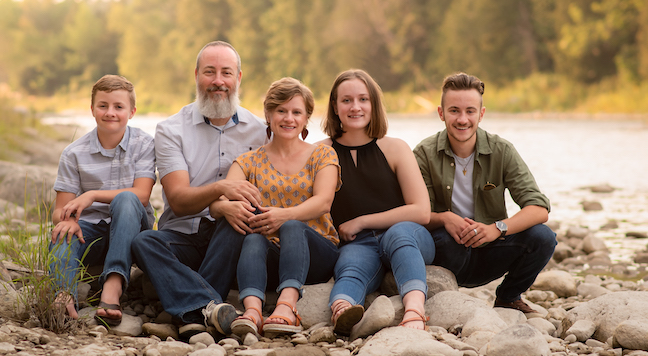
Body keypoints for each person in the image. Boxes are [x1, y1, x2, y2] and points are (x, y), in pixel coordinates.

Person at [131, 41, 267, 339]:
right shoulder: (171, 129)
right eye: (210, 72)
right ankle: (211, 308)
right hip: (182, 238)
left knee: (240, 218)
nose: (218, 81)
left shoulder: (260, 130)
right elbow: (178, 201)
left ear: (238, 78)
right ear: (196, 75)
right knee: (144, 242)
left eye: (226, 73)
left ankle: (189, 311)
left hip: (229, 239)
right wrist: (220, 188)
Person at [414, 72, 557, 315]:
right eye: (454, 111)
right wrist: (446, 218)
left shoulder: (501, 150)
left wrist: (496, 229)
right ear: (441, 113)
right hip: (448, 251)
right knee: (446, 239)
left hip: (491, 248)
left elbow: (539, 209)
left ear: (481, 114)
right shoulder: (424, 154)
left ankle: (508, 297)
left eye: (470, 111)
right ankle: (437, 299)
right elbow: (416, 213)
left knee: (543, 238)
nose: (462, 119)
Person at [211, 77, 341, 337]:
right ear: (268, 115)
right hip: (269, 259)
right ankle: (253, 311)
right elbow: (220, 201)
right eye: (281, 111)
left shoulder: (322, 155)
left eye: (296, 112)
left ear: (306, 119)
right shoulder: (249, 161)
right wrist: (225, 207)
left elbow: (324, 201)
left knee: (292, 226)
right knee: (253, 240)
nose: (288, 118)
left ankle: (287, 306)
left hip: (315, 253)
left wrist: (284, 216)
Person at [320, 70, 435, 335]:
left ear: (374, 104)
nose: (355, 107)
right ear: (335, 107)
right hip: (357, 243)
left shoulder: (395, 148)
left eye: (363, 99)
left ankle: (415, 309)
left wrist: (362, 221)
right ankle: (342, 309)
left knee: (399, 233)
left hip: (409, 236)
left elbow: (421, 211)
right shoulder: (321, 152)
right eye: (346, 100)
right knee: (349, 266)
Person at [50, 75, 156, 327]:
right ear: (92, 110)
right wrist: (69, 221)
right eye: (103, 106)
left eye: (118, 107)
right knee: (63, 232)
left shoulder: (144, 144)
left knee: (127, 199)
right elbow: (58, 211)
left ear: (131, 112)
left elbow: (142, 195)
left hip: (133, 228)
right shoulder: (74, 153)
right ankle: (63, 295)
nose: (110, 113)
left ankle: (113, 284)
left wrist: (92, 195)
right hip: (91, 234)